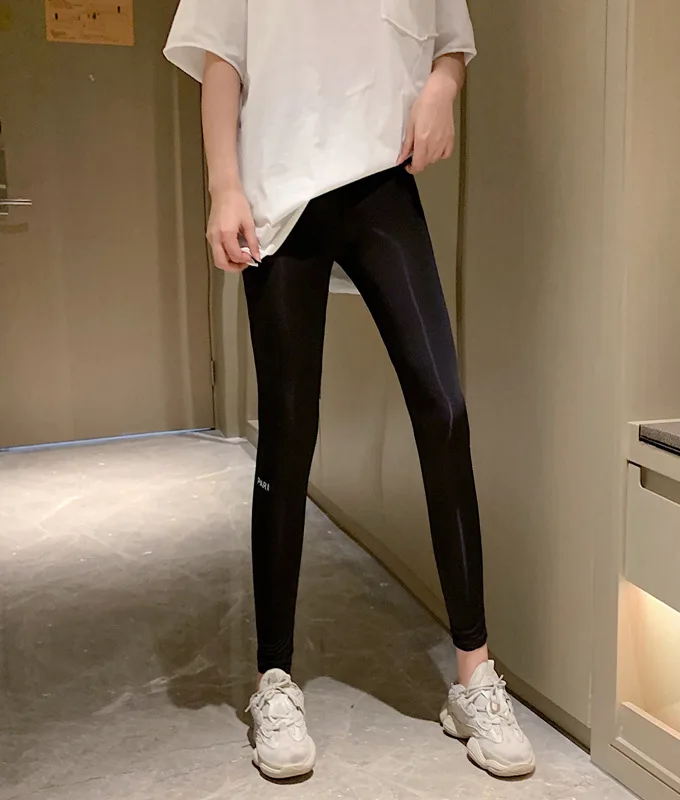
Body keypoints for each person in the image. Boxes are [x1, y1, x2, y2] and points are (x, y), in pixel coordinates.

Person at [164, 0, 535, 781]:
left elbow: (451, 43)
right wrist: (223, 187)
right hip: (279, 193)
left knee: (444, 410)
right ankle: (274, 678)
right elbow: (220, 58)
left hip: (381, 184)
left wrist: (443, 86)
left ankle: (474, 676)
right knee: (289, 430)